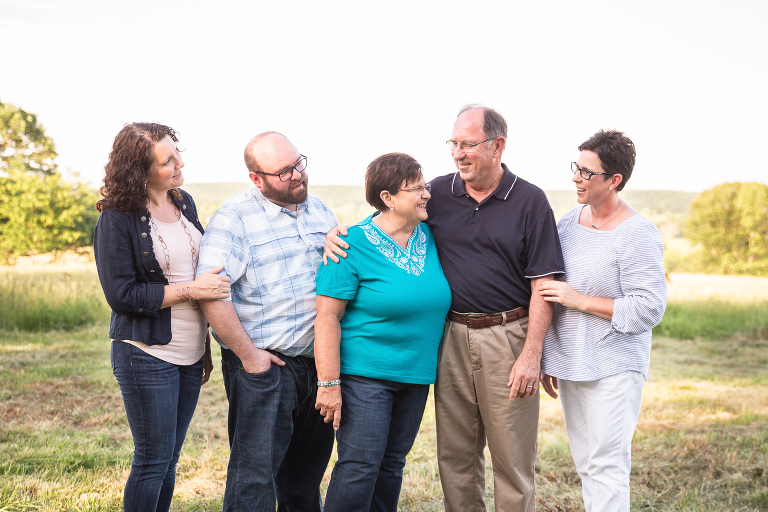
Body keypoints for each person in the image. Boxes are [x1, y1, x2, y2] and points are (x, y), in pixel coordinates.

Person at [325, 105, 565, 511]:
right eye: (453, 144)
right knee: (455, 457)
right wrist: (341, 232)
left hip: (508, 338)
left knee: (512, 459)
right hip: (449, 339)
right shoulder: (438, 193)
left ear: (498, 146)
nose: (458, 153)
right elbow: (390, 215)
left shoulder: (530, 201)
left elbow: (544, 285)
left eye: (468, 144)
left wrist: (532, 353)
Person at [196, 131, 337, 512]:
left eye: (299, 164)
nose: (297, 176)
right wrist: (249, 356)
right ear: (256, 179)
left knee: (304, 480)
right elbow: (212, 293)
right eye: (283, 172)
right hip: (265, 368)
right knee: (253, 479)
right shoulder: (233, 219)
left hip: (319, 365)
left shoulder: (320, 210)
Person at [93, 122, 231, 512]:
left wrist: (203, 345)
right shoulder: (117, 219)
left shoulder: (183, 201)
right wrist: (192, 292)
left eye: (177, 153)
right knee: (152, 460)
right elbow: (122, 296)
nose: (179, 163)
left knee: (169, 458)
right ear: (140, 170)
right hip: (145, 352)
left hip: (189, 352)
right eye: (166, 160)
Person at [314, 153, 452, 511]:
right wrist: (329, 384)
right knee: (360, 467)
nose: (426, 194)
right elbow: (327, 317)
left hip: (416, 375)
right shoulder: (350, 244)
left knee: (392, 466)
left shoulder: (432, 234)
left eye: (425, 186)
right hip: (366, 377)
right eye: (416, 188)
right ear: (388, 198)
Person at [539, 130, 667, 512]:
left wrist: (579, 301)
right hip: (571, 364)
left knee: (607, 466)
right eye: (576, 167)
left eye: (587, 172)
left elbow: (648, 307)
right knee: (586, 466)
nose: (576, 177)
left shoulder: (637, 233)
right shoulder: (566, 224)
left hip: (613, 366)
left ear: (614, 181)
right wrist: (548, 355)